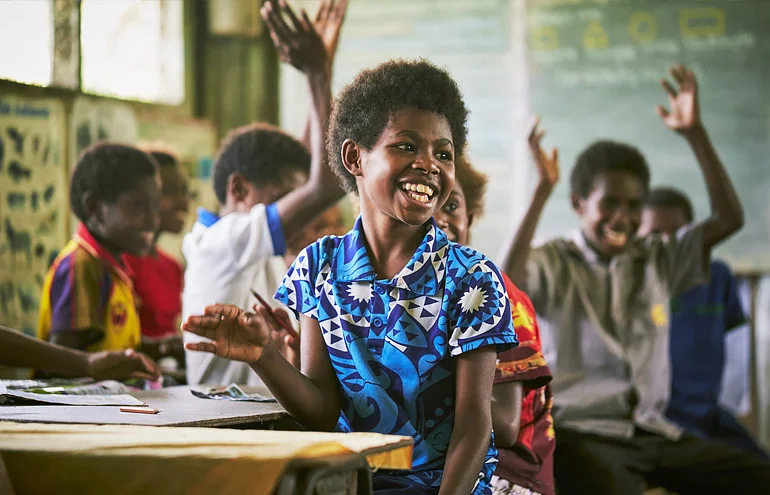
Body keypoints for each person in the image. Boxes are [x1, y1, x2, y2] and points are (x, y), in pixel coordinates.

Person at [183, 57, 519, 494]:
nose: (429, 164)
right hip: (350, 485)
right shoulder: (317, 266)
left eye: (443, 153)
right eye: (406, 146)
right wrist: (263, 355)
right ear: (354, 157)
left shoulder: (471, 278)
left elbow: (474, 427)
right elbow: (321, 409)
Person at [500, 66, 770, 494]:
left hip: (653, 432)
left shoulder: (657, 259)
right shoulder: (555, 259)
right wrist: (540, 192)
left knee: (758, 477)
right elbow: (507, 284)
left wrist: (695, 133)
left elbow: (728, 218)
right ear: (579, 204)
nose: (621, 217)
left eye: (632, 205)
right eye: (609, 203)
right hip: (579, 432)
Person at [181, 0, 347, 386]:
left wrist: (322, 65)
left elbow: (314, 170)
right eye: (285, 199)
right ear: (238, 188)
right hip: (227, 428)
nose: (300, 212)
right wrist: (317, 74)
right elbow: (325, 184)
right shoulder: (222, 242)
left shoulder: (249, 245)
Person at [436, 157, 555, 495]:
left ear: (468, 220)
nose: (439, 218)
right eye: (428, 203)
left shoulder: (495, 294)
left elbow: (503, 426)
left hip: (508, 475)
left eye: (452, 205)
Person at [639, 187, 766, 458]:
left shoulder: (717, 276)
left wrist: (734, 405)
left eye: (678, 234)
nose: (667, 243)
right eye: (654, 234)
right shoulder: (633, 281)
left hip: (707, 413)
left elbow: (736, 345)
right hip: (657, 420)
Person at [38, 142, 160, 353]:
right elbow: (65, 360)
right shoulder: (81, 265)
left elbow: (110, 348)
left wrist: (160, 348)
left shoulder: (111, 266)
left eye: (155, 205)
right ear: (94, 208)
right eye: (138, 205)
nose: (153, 220)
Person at [124, 147, 190, 364]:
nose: (183, 201)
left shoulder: (172, 267)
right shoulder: (121, 263)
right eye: (169, 190)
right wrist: (164, 347)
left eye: (186, 190)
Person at [1, 325, 160, 380]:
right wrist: (86, 363)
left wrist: (87, 363)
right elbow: (62, 341)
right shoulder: (79, 264)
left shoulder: (119, 273)